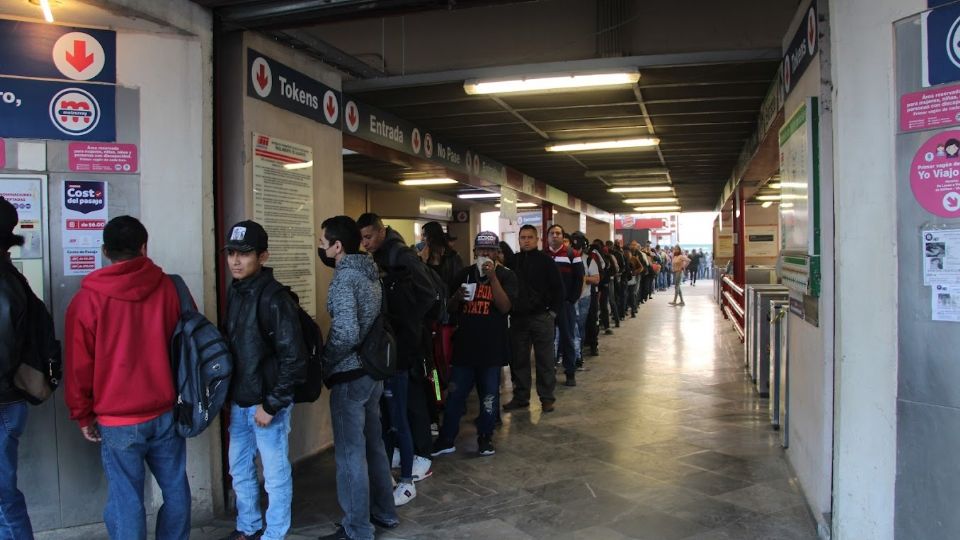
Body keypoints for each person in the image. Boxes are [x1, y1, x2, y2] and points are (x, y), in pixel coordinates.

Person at [65, 216, 191, 540]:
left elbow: (80, 366)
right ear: (145, 247)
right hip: (166, 411)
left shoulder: (86, 300)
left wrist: (82, 414)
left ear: (105, 251)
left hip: (118, 420)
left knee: (127, 500)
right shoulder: (168, 288)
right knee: (176, 490)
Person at [220, 220, 306, 540]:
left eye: (244, 253)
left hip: (267, 403)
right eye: (231, 253)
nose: (236, 260)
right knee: (239, 470)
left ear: (263, 256)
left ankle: (275, 533)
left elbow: (294, 360)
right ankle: (249, 525)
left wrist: (271, 405)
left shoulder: (275, 299)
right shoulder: (237, 291)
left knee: (274, 474)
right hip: (241, 401)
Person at [319, 216, 399, 540]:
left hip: (350, 376)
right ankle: (385, 512)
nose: (320, 247)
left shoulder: (344, 279)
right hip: (373, 374)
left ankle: (357, 528)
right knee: (374, 446)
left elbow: (347, 331)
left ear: (337, 247)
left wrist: (326, 361)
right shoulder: (369, 272)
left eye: (324, 242)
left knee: (350, 453)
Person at [357, 213, 435, 505]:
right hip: (392, 343)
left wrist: (405, 324)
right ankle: (404, 455)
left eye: (368, 237)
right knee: (393, 409)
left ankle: (420, 459)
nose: (365, 244)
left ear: (381, 231)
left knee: (409, 402)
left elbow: (427, 293)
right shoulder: (380, 254)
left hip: (405, 343)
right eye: (361, 239)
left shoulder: (399, 254)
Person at [431, 231, 517, 456]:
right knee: (455, 395)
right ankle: (446, 439)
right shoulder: (464, 274)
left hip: (492, 349)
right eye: (481, 250)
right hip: (465, 348)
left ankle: (485, 438)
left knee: (489, 397)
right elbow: (449, 309)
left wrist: (493, 278)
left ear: (497, 253)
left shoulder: (507, 276)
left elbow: (505, 306)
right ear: (475, 252)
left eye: (490, 250)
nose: (485, 254)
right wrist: (457, 297)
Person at [0, 198, 36, 538]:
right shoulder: (11, 276)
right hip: (9, 400)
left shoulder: (4, 283)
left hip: (3, 403)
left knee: (2, 498)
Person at [505, 225, 564, 411]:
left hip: (541, 317)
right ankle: (521, 397)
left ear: (537, 239)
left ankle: (547, 398)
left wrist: (552, 313)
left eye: (530, 237)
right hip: (518, 319)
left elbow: (559, 290)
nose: (526, 240)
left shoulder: (546, 262)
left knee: (545, 360)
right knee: (519, 360)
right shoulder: (513, 262)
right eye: (523, 237)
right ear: (519, 240)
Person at [545, 225, 584, 385]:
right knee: (547, 340)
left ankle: (570, 373)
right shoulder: (543, 255)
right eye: (552, 233)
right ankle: (549, 371)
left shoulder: (572, 255)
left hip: (565, 305)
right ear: (547, 237)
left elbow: (579, 279)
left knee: (568, 338)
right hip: (546, 306)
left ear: (563, 236)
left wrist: (571, 300)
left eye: (558, 233)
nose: (555, 236)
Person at [570, 232, 600, 362]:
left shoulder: (589, 260)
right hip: (569, 299)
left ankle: (578, 353)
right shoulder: (565, 258)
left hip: (583, 298)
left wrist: (583, 278)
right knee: (570, 328)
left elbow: (597, 279)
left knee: (580, 326)